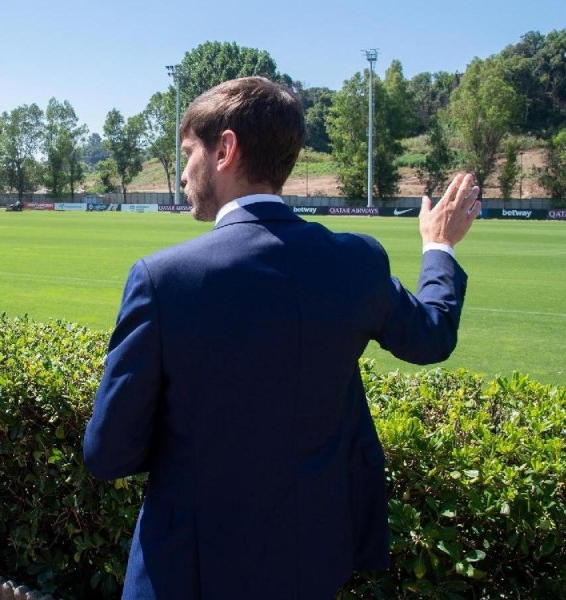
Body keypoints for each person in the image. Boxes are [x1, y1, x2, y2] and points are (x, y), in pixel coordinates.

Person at [83, 76, 481, 599]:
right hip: (310, 562)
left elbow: (107, 453)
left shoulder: (162, 281)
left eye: (188, 153)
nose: (183, 173)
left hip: (189, 575)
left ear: (224, 150)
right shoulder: (355, 262)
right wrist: (438, 248)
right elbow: (431, 337)